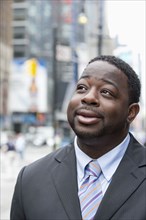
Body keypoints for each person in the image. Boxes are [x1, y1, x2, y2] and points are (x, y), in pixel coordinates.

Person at [10, 55, 146, 220]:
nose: (88, 97)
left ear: (131, 112)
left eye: (106, 92)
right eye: (82, 87)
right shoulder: (30, 179)